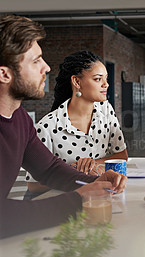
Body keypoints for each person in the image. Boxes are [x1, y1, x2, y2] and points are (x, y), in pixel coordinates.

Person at [0, 15, 126, 239]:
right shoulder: (45, 124)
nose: (46, 68)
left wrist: (95, 182)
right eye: (36, 61)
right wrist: (77, 200)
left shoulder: (19, 119)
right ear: (4, 74)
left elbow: (49, 169)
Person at [25, 50, 128, 199]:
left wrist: (93, 164)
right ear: (77, 82)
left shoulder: (106, 110)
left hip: (100, 196)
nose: (106, 84)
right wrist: (72, 171)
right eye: (98, 79)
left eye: (105, 78)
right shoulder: (47, 127)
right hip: (63, 204)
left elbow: (121, 156)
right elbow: (33, 185)